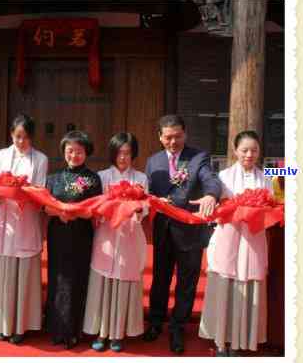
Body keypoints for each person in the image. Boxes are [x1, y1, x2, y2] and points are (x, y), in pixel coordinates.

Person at [143, 114, 221, 354]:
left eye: (177, 136)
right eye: (168, 137)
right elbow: (148, 193)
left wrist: (211, 195)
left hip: (189, 231)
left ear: (185, 134)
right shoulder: (153, 161)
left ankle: (178, 327)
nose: (173, 142)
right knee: (160, 279)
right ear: (160, 137)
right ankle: (155, 321)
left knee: (187, 283)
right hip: (164, 230)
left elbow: (211, 179)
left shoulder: (198, 157)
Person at [199, 131, 272, 356]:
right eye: (244, 150)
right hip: (228, 237)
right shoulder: (223, 176)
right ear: (235, 150)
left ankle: (242, 340)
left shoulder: (267, 177)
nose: (249, 155)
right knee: (225, 284)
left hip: (253, 238)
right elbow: (214, 203)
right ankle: (221, 341)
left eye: (254, 150)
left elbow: (274, 203)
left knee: (249, 283)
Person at [0, 113, 48, 344]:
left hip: (25, 220)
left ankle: (20, 326)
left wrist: (22, 192)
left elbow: (39, 190)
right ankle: (1, 323)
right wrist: (2, 192)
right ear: (11, 135)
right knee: (1, 275)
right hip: (1, 221)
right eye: (18, 137)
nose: (21, 142)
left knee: (22, 276)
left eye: (26, 138)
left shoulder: (40, 159)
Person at [83, 132, 147, 352]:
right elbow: (96, 204)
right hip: (107, 235)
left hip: (129, 235)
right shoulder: (102, 177)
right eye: (119, 153)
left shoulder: (141, 178)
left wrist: (139, 211)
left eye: (128, 153)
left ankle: (118, 333)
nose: (123, 157)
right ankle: (102, 331)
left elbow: (145, 204)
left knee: (123, 281)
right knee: (104, 281)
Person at [44, 130, 102, 349]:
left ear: (86, 153)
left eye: (79, 151)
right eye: (70, 151)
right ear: (64, 152)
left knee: (76, 280)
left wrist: (74, 212)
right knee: (57, 279)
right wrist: (59, 212)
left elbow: (94, 209)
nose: (74, 155)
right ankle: (55, 329)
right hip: (58, 234)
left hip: (80, 235)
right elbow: (45, 206)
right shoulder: (54, 178)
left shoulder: (92, 179)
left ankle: (73, 331)